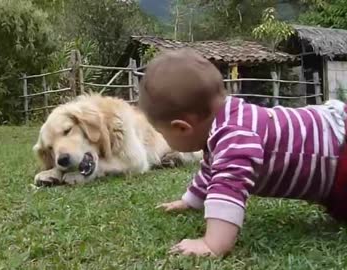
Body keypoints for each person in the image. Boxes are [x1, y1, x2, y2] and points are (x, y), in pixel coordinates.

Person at [138, 48, 347, 257]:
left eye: (161, 133)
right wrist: (190, 201)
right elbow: (211, 170)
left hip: (340, 154)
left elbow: (228, 186)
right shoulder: (225, 125)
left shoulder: (235, 135)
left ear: (182, 127)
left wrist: (213, 244)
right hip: (333, 147)